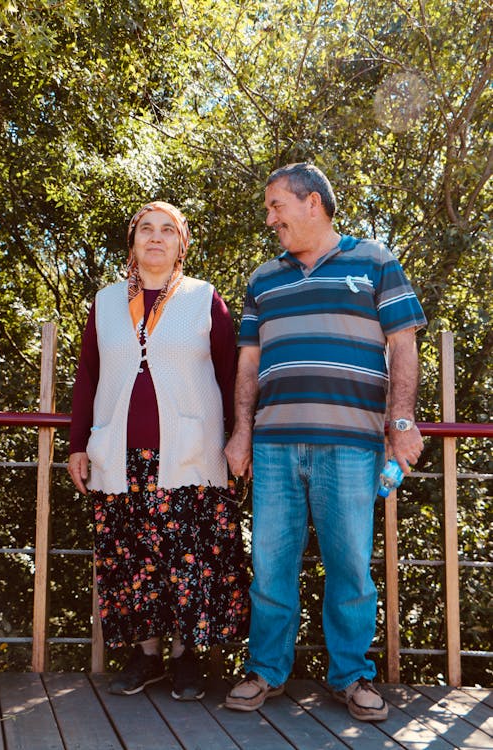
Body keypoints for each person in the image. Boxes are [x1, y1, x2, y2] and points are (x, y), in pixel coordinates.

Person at [224, 163, 426, 721]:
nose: (270, 219)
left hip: (352, 445)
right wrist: (241, 430)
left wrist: (402, 421)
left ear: (312, 202)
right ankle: (264, 670)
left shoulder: (376, 261)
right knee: (269, 564)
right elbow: (248, 363)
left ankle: (353, 676)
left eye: (275, 206)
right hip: (273, 446)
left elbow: (403, 345)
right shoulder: (263, 278)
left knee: (350, 567)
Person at [68, 200, 249, 700]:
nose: (155, 237)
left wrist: (239, 438)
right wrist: (77, 444)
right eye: (145, 229)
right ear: (132, 243)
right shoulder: (105, 302)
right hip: (119, 456)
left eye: (167, 230)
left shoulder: (204, 299)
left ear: (181, 244)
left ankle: (186, 660)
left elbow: (230, 375)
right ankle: (145, 657)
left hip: (192, 455)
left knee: (189, 559)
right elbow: (88, 376)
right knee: (131, 559)